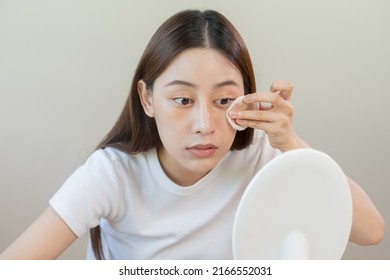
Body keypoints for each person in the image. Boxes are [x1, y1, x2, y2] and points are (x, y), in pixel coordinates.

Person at [0, 9, 384, 260]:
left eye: (223, 100)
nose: (204, 123)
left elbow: (371, 231)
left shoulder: (260, 158)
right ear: (147, 99)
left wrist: (290, 144)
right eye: (183, 99)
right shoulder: (112, 174)